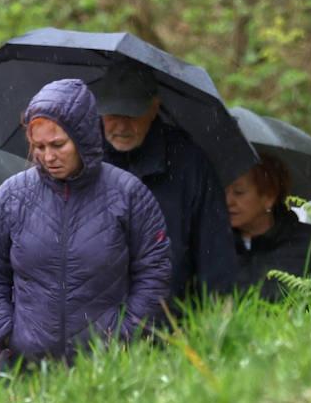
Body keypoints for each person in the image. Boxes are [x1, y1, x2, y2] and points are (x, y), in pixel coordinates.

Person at [0, 79, 171, 367]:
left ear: (83, 138)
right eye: (38, 146)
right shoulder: (12, 195)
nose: (48, 157)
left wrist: (126, 334)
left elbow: (154, 270)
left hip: (107, 365)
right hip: (29, 365)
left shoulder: (128, 193)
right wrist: (6, 331)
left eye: (58, 145)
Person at [89, 60, 235, 303]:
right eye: (114, 115)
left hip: (169, 320)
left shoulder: (190, 163)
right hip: (92, 320)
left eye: (133, 114)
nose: (122, 126)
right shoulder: (81, 156)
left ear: (154, 108)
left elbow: (215, 254)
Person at [225, 155, 311, 301]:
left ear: (269, 197)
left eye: (239, 192)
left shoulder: (310, 243)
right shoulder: (212, 240)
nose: (228, 201)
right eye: (223, 191)